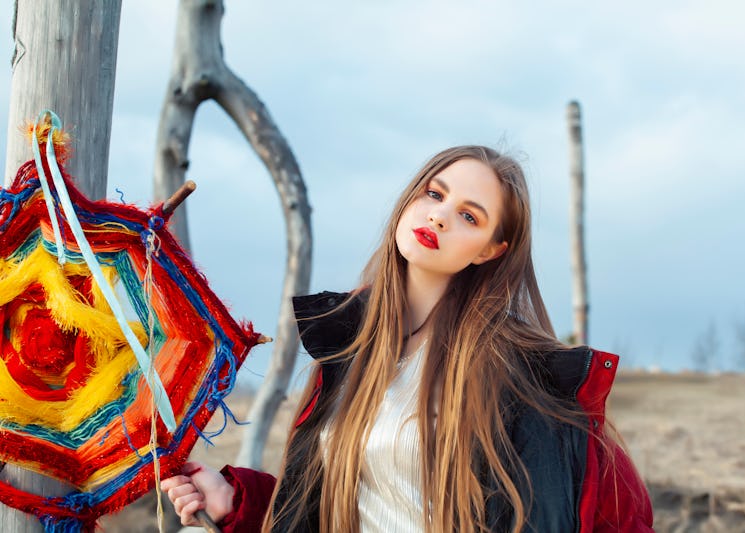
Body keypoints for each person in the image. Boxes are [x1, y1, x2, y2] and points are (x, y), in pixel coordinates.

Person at [162, 146, 654, 532]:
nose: (439, 216)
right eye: (434, 195)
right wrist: (238, 505)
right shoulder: (348, 351)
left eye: (469, 216)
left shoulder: (526, 378)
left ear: (490, 250)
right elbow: (336, 506)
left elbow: (610, 516)